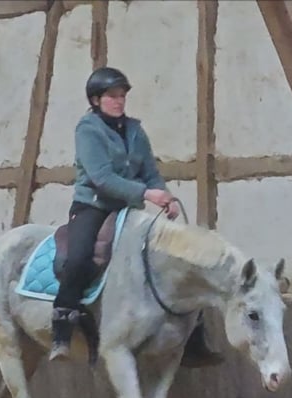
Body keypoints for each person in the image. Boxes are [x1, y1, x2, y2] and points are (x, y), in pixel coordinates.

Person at [49, 66, 224, 369]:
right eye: (112, 97)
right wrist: (146, 194)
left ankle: (194, 336)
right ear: (95, 100)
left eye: (121, 96)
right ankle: (62, 327)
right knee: (77, 259)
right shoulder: (87, 130)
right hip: (93, 207)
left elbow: (151, 174)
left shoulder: (134, 130)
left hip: (130, 208)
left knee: (181, 254)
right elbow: (101, 177)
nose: (119, 102)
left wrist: (164, 197)